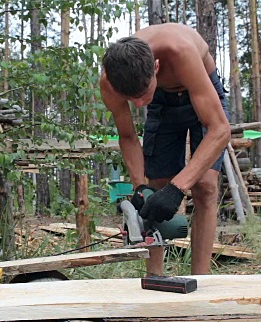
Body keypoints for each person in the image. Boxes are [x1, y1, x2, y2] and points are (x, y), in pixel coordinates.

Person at [99, 23, 231, 276]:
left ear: (156, 67)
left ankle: (199, 280)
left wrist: (177, 188)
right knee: (155, 189)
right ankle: (155, 278)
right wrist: (140, 187)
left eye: (142, 95)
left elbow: (220, 130)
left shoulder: (179, 50)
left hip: (201, 89)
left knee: (204, 186)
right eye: (131, 99)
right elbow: (127, 136)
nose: (138, 104)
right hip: (162, 97)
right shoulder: (110, 81)